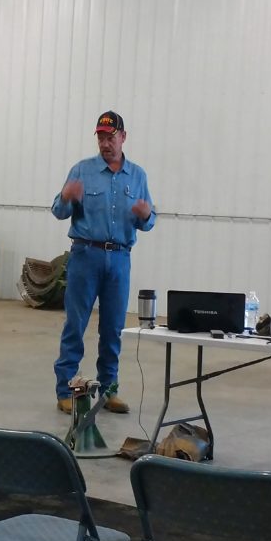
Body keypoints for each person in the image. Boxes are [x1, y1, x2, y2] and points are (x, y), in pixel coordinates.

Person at [51, 110, 156, 414]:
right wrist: (67, 197)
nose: (105, 143)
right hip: (86, 256)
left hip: (120, 259)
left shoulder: (137, 176)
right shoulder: (82, 171)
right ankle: (65, 391)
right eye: (100, 137)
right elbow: (58, 210)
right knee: (76, 325)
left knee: (113, 329)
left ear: (123, 137)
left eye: (111, 137)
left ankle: (109, 390)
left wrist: (146, 215)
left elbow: (150, 221)